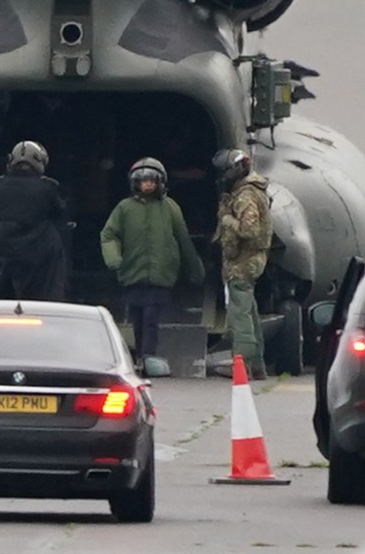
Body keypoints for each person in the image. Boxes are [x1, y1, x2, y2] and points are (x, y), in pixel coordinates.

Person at [100, 157, 205, 368]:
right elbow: (109, 234)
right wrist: (114, 259)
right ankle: (140, 355)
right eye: (143, 180)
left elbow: (183, 239)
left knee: (151, 317)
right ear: (135, 183)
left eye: (152, 180)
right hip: (133, 273)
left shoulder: (170, 208)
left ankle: (148, 355)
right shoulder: (124, 208)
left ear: (160, 182)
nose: (147, 184)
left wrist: (195, 271)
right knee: (137, 319)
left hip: (160, 276)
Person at [211, 148, 272, 381]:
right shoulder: (252, 190)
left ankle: (242, 364)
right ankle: (257, 365)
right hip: (251, 261)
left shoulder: (245, 195)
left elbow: (249, 229)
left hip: (243, 262)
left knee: (240, 314)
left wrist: (227, 221)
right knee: (250, 311)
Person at [0, 140, 68, 301]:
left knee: (2, 296)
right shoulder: (48, 187)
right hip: (40, 251)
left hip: (1, 248)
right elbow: (60, 213)